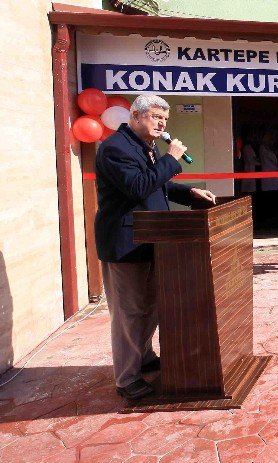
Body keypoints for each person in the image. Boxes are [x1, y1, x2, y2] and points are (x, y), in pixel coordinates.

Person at [95, 94, 217, 401]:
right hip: (125, 244)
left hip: (152, 239)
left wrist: (190, 193)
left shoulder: (144, 147)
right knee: (129, 314)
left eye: (164, 119)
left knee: (149, 306)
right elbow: (137, 186)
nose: (161, 124)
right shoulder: (114, 149)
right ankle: (126, 378)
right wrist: (170, 160)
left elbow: (154, 184)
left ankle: (145, 357)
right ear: (135, 116)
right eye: (155, 117)